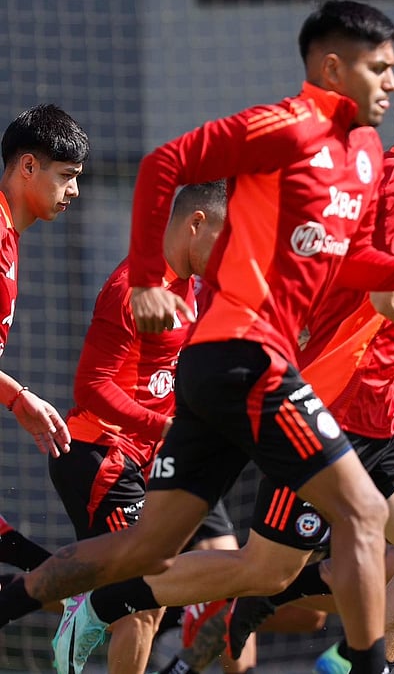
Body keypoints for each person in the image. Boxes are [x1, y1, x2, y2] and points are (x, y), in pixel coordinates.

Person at [0, 4, 394, 674]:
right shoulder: (286, 126)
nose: (389, 82)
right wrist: (148, 275)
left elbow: (352, 269)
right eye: (378, 68)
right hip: (244, 355)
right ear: (330, 67)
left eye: (393, 67)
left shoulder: (367, 155)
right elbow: (166, 162)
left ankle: (30, 601)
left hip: (258, 366)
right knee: (355, 517)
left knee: (151, 553)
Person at [223, 61, 394, 674]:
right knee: (268, 571)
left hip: (377, 421)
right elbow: (391, 302)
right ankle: (121, 598)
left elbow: (384, 326)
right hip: (324, 412)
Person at [45, 181, 255, 674]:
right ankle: (70, 597)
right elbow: (91, 388)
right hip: (102, 456)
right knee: (143, 604)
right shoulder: (133, 289)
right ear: (196, 224)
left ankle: (77, 595)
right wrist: (163, 427)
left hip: (146, 458)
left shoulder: (191, 286)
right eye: (225, 241)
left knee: (160, 590)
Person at [0, 103, 88, 576]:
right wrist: (17, 398)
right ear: (29, 166)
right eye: (67, 174)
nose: (74, 189)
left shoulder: (9, 238)